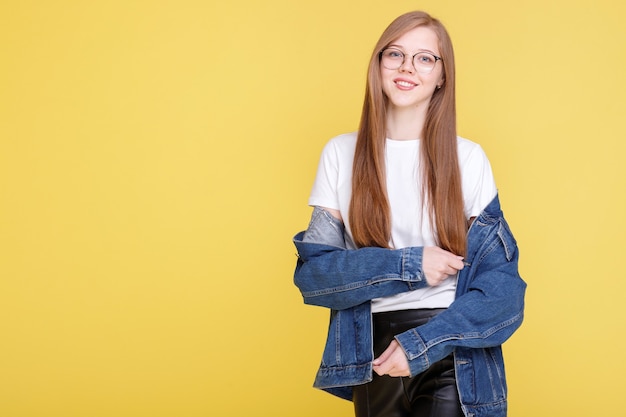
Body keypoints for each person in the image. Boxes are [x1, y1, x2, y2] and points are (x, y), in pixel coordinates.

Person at [292, 10, 526, 417]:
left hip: (452, 350)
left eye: (424, 58)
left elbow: (504, 293)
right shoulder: (341, 154)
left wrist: (422, 345)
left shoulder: (466, 158)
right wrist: (410, 264)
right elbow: (314, 277)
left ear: (442, 76)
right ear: (378, 64)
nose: (406, 68)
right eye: (395, 54)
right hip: (372, 352)